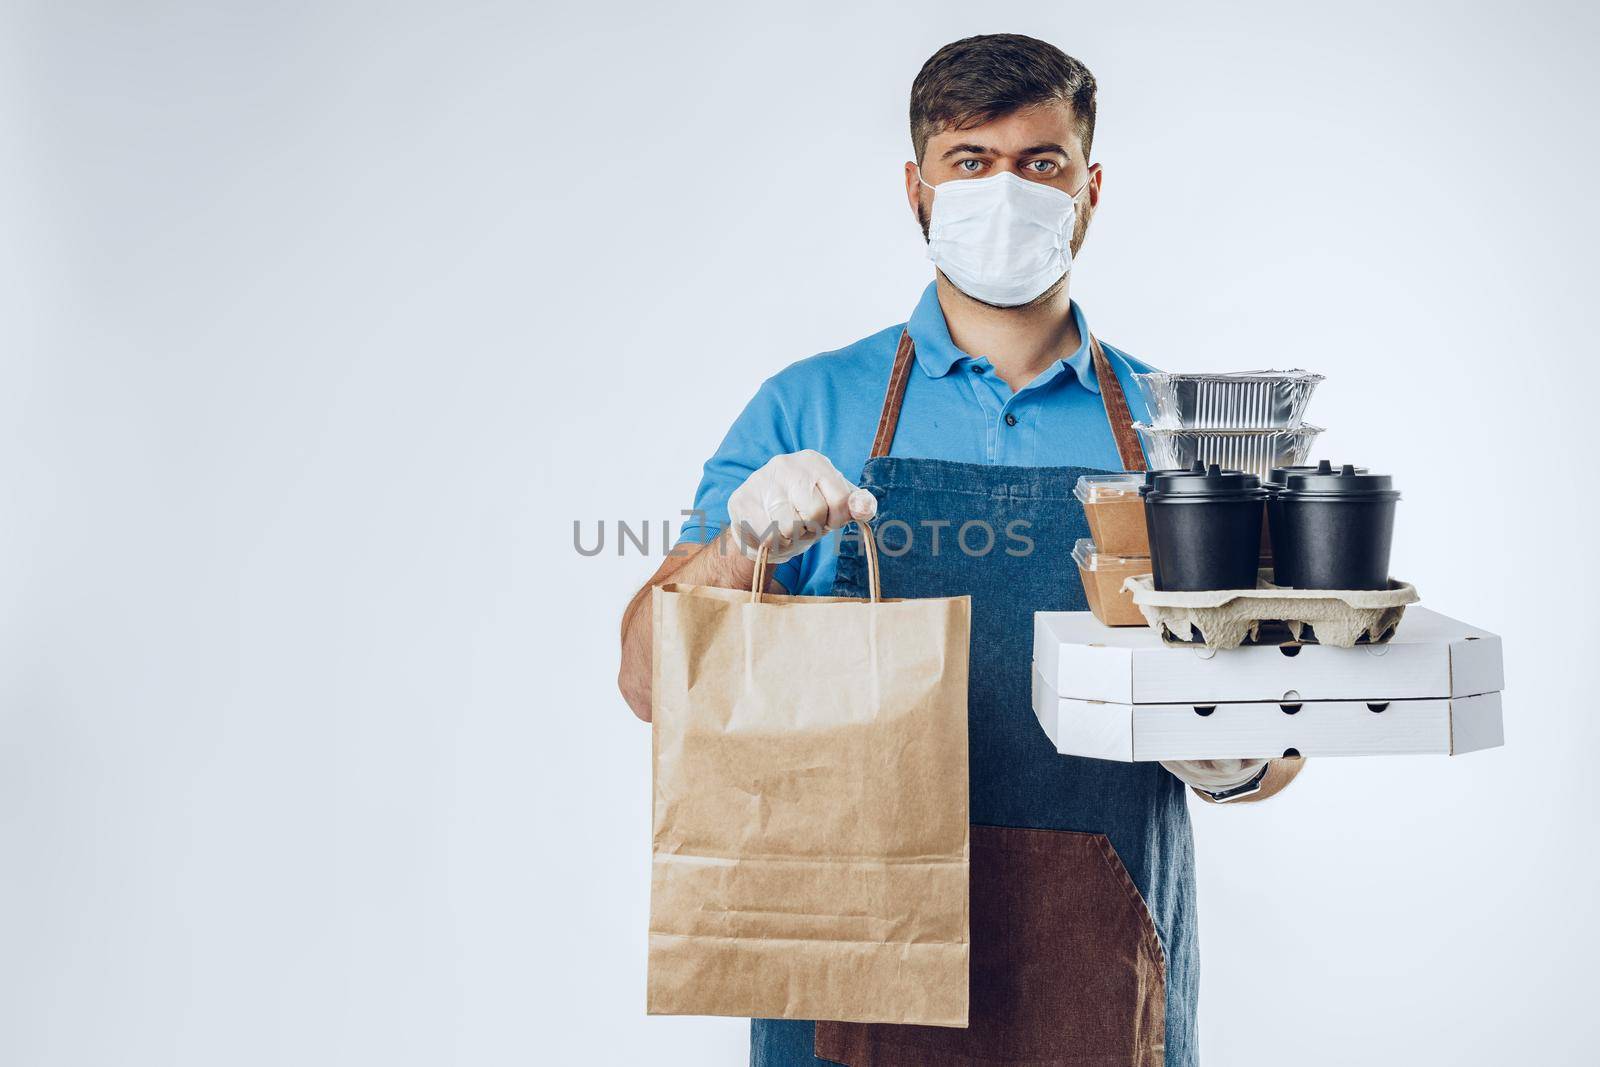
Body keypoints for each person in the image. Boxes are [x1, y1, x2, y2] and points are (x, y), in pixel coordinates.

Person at [619, 33, 1303, 1067]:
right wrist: (732, 555)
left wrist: (1240, 752)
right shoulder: (809, 405)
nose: (1006, 191)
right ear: (917, 189)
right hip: (848, 954)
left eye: (1040, 162)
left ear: (1090, 187)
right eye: (970, 162)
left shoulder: (1176, 435)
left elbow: (1280, 733)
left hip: (1103, 962)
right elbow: (644, 677)